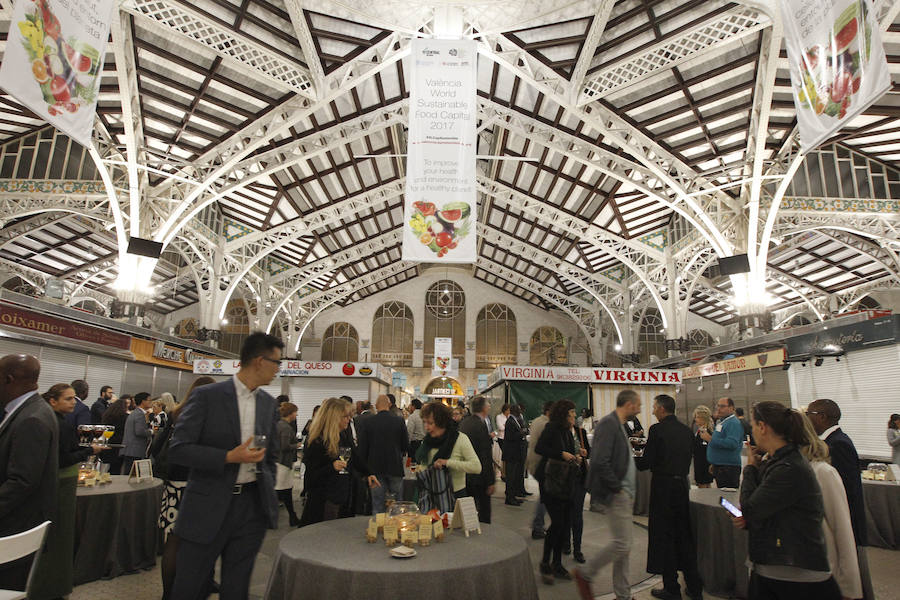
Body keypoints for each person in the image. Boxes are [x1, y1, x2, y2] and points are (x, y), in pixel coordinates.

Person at [168, 332, 284, 600]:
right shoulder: (208, 396)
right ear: (258, 361)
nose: (279, 369)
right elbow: (179, 449)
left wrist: (266, 484)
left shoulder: (267, 403)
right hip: (208, 505)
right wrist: (227, 457)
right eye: (276, 362)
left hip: (251, 507)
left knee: (237, 586)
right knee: (190, 585)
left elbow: (272, 455)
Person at [735, 402, 841, 600]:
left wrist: (749, 468)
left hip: (794, 574)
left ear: (762, 427)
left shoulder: (788, 468)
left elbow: (751, 508)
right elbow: (769, 512)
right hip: (774, 567)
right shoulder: (776, 463)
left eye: (753, 424)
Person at [30, 383, 103, 600]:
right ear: (53, 401)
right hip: (60, 485)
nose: (73, 403)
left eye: (73, 398)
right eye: (68, 399)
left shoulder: (58, 421)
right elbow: (62, 458)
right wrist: (88, 451)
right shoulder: (54, 423)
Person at [149, 375, 215, 600]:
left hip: (173, 484)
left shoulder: (176, 412)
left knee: (173, 542)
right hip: (195, 484)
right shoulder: (207, 416)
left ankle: (168, 593)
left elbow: (161, 446)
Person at [574, 390, 641, 600]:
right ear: (629, 404)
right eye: (638, 405)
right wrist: (617, 487)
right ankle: (586, 573)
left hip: (625, 493)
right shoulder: (608, 424)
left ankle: (623, 594)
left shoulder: (619, 425)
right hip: (617, 493)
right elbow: (600, 460)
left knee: (625, 546)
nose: (639, 409)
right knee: (623, 544)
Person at [0, 354, 59, 592]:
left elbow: (22, 481)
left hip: (14, 527)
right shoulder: (26, 410)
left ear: (8, 379)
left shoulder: (32, 418)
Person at [636, 394, 703, 600]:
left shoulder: (656, 430)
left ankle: (672, 588)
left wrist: (633, 454)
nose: (653, 411)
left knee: (664, 537)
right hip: (682, 486)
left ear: (662, 409)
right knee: (684, 536)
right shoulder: (686, 431)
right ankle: (694, 587)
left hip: (663, 488)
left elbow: (646, 462)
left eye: (655, 407)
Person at [806, 398, 874, 600]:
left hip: (847, 523)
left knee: (852, 580)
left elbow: (845, 491)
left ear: (822, 417)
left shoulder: (838, 445)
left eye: (809, 415)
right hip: (840, 522)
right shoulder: (830, 442)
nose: (807, 419)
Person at [797, 413, 863, 600]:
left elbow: (841, 525)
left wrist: (849, 586)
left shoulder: (824, 470)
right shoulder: (782, 470)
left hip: (825, 567)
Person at [300, 397, 379, 525]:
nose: (349, 419)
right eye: (345, 416)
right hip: (326, 499)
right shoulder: (317, 441)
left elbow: (354, 456)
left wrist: (368, 473)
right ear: (334, 417)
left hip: (344, 495)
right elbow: (311, 477)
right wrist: (332, 467)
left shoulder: (343, 435)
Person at [535, 399, 579, 584]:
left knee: (563, 523)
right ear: (564, 414)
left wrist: (576, 454)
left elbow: (567, 450)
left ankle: (555, 563)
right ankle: (548, 562)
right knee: (558, 523)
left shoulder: (567, 431)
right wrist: (561, 454)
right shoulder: (551, 428)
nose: (575, 416)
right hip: (551, 481)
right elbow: (540, 448)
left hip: (565, 481)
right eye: (572, 413)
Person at [415, 401, 481, 497]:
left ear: (441, 422)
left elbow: (476, 467)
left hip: (454, 496)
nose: (426, 427)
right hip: (430, 495)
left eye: (430, 423)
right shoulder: (427, 441)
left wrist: (447, 463)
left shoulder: (460, 439)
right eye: (424, 422)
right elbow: (425, 465)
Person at [358, 395, 408, 514]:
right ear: (389, 405)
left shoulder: (368, 422)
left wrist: (365, 470)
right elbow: (405, 445)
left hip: (374, 468)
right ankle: (396, 528)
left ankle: (378, 528)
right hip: (395, 467)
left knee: (377, 504)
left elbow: (363, 448)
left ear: (376, 406)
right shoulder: (399, 421)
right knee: (397, 504)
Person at [457, 396, 496, 523]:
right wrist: (490, 481)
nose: (489, 407)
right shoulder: (480, 425)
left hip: (465, 473)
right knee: (483, 510)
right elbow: (485, 454)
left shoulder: (464, 422)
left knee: (468, 510)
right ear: (484, 408)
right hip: (479, 475)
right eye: (488, 406)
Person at [526, 400, 555, 539]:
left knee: (545, 495)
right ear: (549, 411)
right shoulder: (546, 424)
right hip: (541, 464)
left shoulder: (537, 421)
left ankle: (538, 524)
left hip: (534, 462)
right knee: (546, 496)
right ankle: (537, 526)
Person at [701, 397, 743, 489]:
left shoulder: (733, 423)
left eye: (723, 406)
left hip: (728, 468)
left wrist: (710, 439)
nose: (719, 409)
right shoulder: (722, 422)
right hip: (721, 467)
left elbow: (732, 443)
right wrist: (715, 463)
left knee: (728, 498)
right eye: (718, 406)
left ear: (732, 408)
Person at [567, 411, 591, 564]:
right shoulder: (559, 432)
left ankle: (577, 549)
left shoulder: (580, 432)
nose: (574, 418)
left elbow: (589, 453)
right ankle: (564, 542)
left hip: (579, 478)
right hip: (564, 479)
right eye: (571, 415)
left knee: (577, 515)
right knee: (565, 514)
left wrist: (585, 453)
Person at [276, 402, 300, 527]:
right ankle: (292, 516)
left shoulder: (279, 425)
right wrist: (297, 445)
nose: (296, 414)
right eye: (295, 412)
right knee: (284, 490)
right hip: (283, 463)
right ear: (290, 413)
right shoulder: (286, 427)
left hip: (279, 462)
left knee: (283, 490)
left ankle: (292, 516)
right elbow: (284, 446)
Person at [120, 392, 152, 475]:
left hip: (130, 449)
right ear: (143, 401)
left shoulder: (134, 413)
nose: (150, 402)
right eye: (149, 400)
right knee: (131, 475)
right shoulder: (139, 414)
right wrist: (151, 432)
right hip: (135, 449)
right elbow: (139, 431)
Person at [502, 404, 527, 505]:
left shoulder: (515, 420)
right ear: (514, 411)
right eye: (519, 410)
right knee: (510, 477)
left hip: (515, 453)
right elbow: (511, 436)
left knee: (514, 476)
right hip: (511, 453)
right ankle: (509, 498)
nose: (520, 411)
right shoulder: (510, 421)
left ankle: (513, 495)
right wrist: (523, 432)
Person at [101, 394, 130, 474]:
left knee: (108, 467)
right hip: (119, 444)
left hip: (108, 441)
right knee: (117, 467)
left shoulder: (107, 415)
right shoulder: (126, 417)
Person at [692, 405, 714, 488]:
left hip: (703, 463)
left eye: (697, 417)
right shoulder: (700, 430)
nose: (695, 419)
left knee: (703, 485)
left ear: (703, 418)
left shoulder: (705, 432)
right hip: (700, 462)